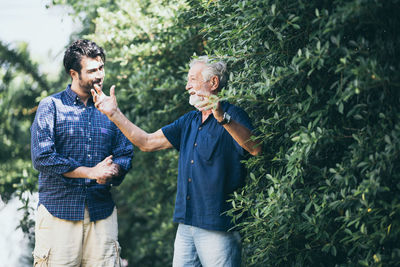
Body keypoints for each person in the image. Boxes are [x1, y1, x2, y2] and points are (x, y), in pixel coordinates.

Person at [91, 55, 261, 267]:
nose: (187, 85)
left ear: (213, 83)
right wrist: (114, 113)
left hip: (218, 227)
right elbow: (146, 142)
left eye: (192, 79)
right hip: (186, 226)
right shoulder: (189, 121)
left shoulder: (233, 115)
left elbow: (255, 148)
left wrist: (222, 117)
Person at [30, 39, 134, 267]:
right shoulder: (51, 106)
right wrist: (91, 171)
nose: (99, 75)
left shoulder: (111, 110)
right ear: (73, 73)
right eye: (92, 70)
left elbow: (125, 153)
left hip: (102, 213)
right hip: (59, 213)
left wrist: (113, 170)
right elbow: (43, 157)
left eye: (101, 68)